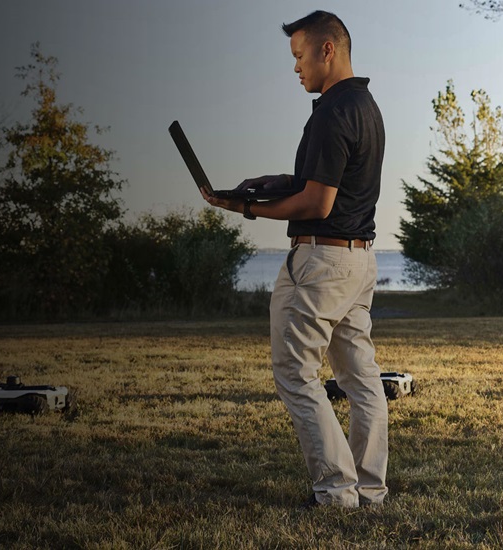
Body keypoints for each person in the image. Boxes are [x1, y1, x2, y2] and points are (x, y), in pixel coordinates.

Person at [200, 10, 388, 509]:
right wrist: (274, 183)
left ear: (328, 50)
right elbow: (330, 183)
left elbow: (317, 204)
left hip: (321, 264)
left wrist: (243, 206)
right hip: (358, 261)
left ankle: (337, 491)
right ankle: (367, 490)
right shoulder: (365, 105)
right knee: (360, 379)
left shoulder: (329, 112)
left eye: (300, 55)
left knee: (295, 373)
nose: (296, 67)